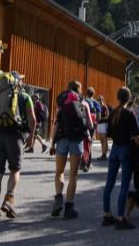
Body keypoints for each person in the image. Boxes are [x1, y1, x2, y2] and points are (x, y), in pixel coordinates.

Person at [0, 72, 36, 223]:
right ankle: (9, 199)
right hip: (15, 136)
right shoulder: (25, 97)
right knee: (15, 170)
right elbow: (33, 119)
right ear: (17, 82)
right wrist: (31, 137)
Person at [50, 81, 93, 219]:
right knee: (73, 175)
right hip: (77, 140)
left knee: (59, 172)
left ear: (68, 89)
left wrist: (52, 143)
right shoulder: (84, 103)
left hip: (62, 139)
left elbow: (56, 123)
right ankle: (69, 208)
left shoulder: (62, 103)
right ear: (79, 89)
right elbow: (90, 125)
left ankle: (58, 198)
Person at [101, 87, 139, 230]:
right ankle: (120, 218)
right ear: (129, 99)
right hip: (126, 150)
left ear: (118, 98)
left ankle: (107, 215)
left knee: (109, 183)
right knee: (124, 185)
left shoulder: (113, 114)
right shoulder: (130, 114)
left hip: (115, 150)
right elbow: (137, 138)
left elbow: (110, 134)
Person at [97, 95, 110, 161]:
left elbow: (108, 115)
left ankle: (104, 155)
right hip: (99, 124)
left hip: (104, 124)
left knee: (104, 140)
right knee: (101, 140)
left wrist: (101, 118)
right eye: (98, 99)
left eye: (101, 99)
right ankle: (103, 154)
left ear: (103, 99)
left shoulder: (104, 107)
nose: (100, 100)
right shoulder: (98, 106)